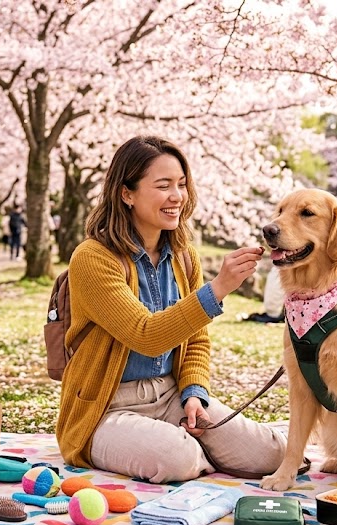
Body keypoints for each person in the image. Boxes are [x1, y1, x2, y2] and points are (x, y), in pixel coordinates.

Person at [55, 135, 287, 483]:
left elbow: (195, 341)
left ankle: (192, 446)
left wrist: (194, 391)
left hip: (170, 395)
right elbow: (145, 335)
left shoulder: (183, 256)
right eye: (163, 186)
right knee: (178, 458)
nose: (177, 196)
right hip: (105, 407)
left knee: (273, 454)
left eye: (181, 184)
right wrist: (218, 289)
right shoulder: (92, 258)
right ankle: (187, 451)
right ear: (126, 193)